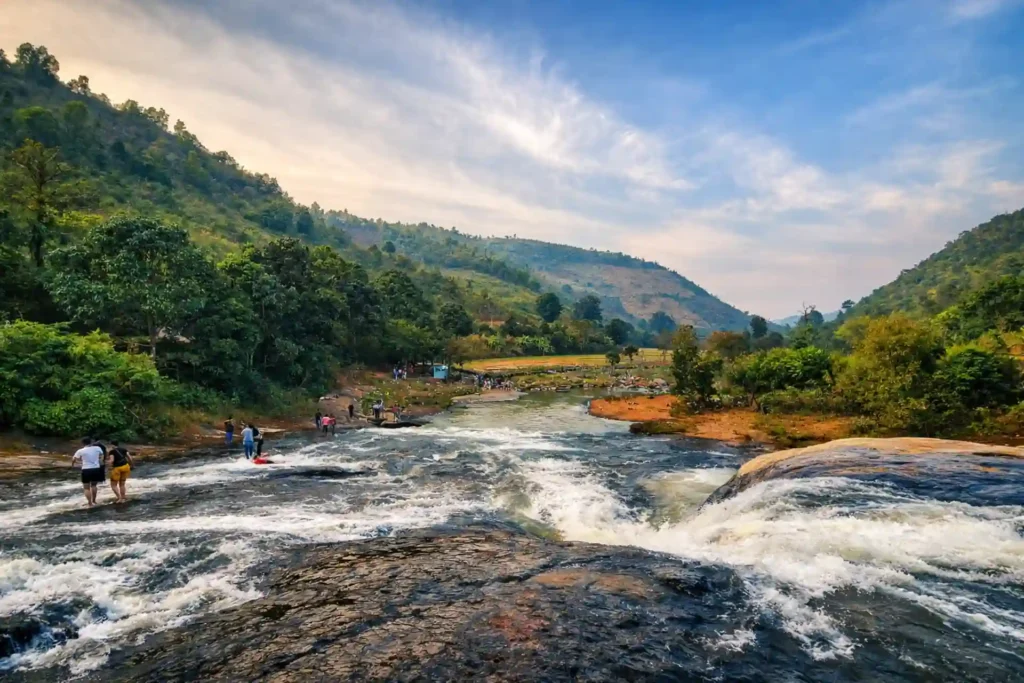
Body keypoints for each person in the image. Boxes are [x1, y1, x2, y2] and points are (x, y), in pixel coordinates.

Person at [72, 437, 105, 507]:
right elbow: (102, 455)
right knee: (94, 485)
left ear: (83, 443)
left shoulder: (80, 451)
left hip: (86, 469)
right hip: (96, 469)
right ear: (91, 442)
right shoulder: (97, 448)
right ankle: (94, 501)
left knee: (86, 488)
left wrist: (74, 464)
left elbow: (74, 459)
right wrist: (100, 461)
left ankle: (90, 503)